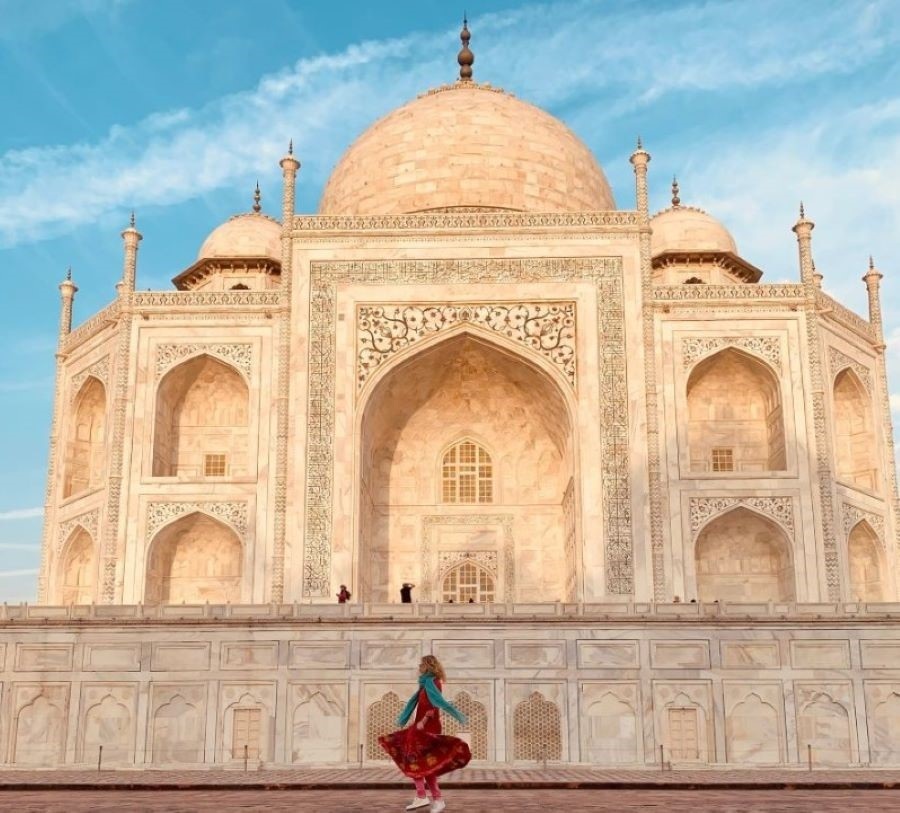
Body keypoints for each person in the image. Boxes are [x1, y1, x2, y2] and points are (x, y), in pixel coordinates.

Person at [379, 655, 470, 812]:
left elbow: (435, 704)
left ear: (427, 665)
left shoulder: (433, 682)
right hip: (420, 726)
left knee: (420, 762)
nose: (419, 667)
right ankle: (424, 796)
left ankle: (431, 798)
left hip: (427, 727)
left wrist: (423, 721)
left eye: (421, 664)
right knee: (417, 761)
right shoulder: (425, 684)